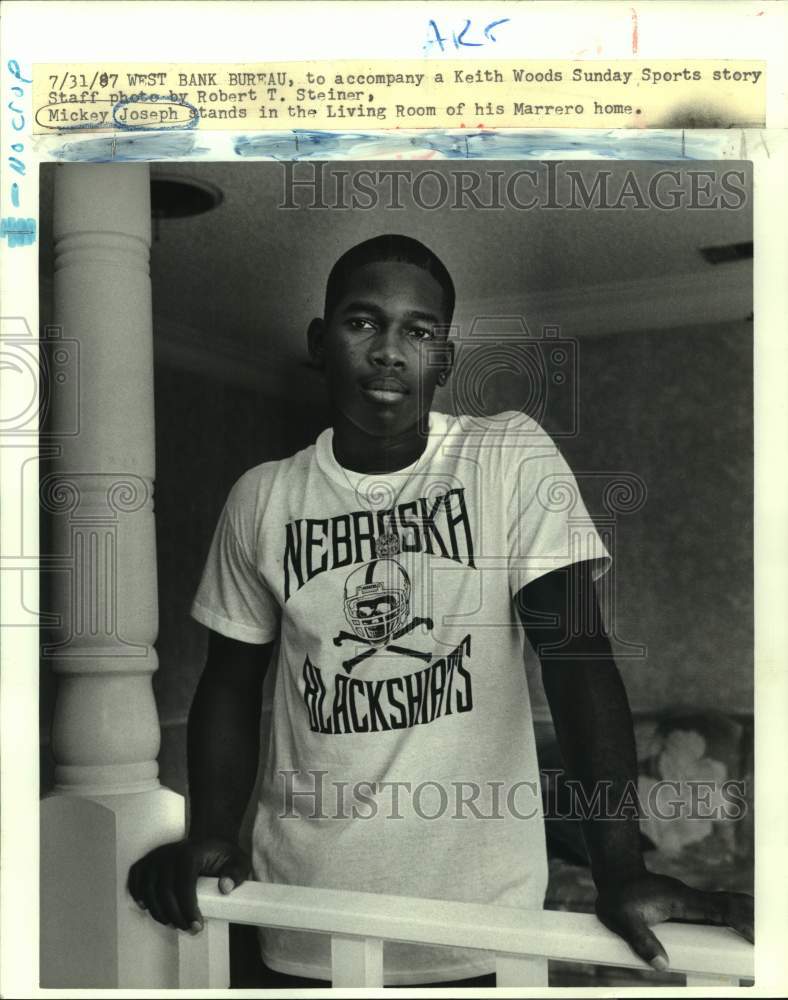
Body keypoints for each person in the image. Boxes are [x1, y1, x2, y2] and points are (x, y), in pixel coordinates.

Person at [128, 234, 753, 987]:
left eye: (419, 331)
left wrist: (621, 866)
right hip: (303, 915)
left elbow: (576, 655)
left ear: (446, 361)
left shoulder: (507, 458)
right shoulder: (263, 497)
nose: (390, 351)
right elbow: (229, 683)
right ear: (320, 344)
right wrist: (212, 834)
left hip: (479, 925)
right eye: (363, 323)